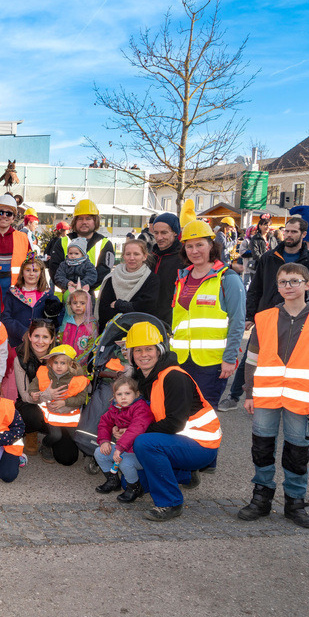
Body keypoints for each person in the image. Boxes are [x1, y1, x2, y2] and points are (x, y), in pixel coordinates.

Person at [238, 263, 309, 529]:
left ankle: (295, 502)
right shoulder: (265, 317)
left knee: (297, 453)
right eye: (283, 282)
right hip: (266, 396)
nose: (288, 287)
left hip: (302, 397)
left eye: (294, 281)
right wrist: (249, 393)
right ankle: (261, 498)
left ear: (308, 285)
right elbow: (252, 359)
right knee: (262, 449)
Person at [126, 321, 221, 522]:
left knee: (144, 443)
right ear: (131, 355)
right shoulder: (146, 377)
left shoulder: (174, 377)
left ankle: (170, 502)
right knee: (129, 484)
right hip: (179, 441)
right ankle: (185, 475)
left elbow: (175, 423)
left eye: (149, 349)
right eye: (138, 350)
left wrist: (134, 433)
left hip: (201, 445)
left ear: (159, 350)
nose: (143, 354)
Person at [170, 221, 245, 408]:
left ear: (211, 245)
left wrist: (229, 359)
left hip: (211, 364)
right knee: (181, 415)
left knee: (202, 417)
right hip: (180, 360)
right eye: (189, 246)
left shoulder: (227, 279)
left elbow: (237, 322)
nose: (194, 251)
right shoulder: (182, 278)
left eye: (199, 245)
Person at [93, 376, 154, 502]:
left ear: (136, 394)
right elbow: (104, 423)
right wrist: (104, 441)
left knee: (125, 462)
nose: (123, 397)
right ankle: (113, 480)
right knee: (99, 452)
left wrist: (119, 448)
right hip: (124, 449)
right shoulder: (115, 408)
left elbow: (136, 429)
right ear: (114, 397)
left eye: (127, 393)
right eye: (119, 394)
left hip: (139, 453)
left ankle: (135, 488)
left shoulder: (141, 408)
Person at [26, 344, 88, 465]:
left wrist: (65, 402)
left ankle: (88, 453)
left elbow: (81, 398)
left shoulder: (79, 378)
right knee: (55, 435)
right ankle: (45, 445)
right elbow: (33, 386)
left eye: (63, 363)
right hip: (49, 414)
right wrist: (33, 393)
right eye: (56, 362)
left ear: (71, 364)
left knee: (78, 436)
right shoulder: (43, 373)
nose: (59, 366)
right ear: (50, 363)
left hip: (69, 415)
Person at [46, 199, 116, 294]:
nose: (84, 222)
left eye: (88, 218)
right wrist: (67, 285)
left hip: (93, 299)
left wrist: (82, 288)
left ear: (95, 221)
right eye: (80, 219)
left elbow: (104, 272)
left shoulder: (105, 244)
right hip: (64, 298)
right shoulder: (62, 242)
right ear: (75, 221)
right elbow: (54, 269)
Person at [12, 319, 57, 456]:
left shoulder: (60, 356)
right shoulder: (20, 358)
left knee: (68, 457)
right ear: (29, 336)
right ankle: (31, 432)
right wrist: (46, 396)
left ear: (51, 339)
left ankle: (49, 440)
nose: (40, 341)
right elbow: (25, 396)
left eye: (45, 337)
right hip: (29, 404)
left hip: (57, 403)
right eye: (36, 336)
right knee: (30, 413)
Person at [0, 253, 62, 350]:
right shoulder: (12, 294)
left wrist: (48, 333)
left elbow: (58, 318)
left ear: (41, 273)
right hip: (17, 343)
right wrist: (22, 332)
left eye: (35, 270)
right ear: (22, 273)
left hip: (41, 345)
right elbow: (5, 318)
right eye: (27, 270)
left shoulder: (48, 295)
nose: (31, 274)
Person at [96, 239, 160, 330]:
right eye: (128, 254)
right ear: (123, 256)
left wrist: (119, 305)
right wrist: (132, 307)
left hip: (140, 333)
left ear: (144, 256)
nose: (131, 258)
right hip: (112, 332)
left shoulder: (152, 279)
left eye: (136, 254)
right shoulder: (111, 278)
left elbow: (146, 308)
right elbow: (104, 310)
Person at [148, 212, 183, 327]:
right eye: (156, 233)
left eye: (164, 233)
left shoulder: (184, 257)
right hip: (150, 318)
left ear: (175, 233)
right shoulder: (150, 256)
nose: (159, 237)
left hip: (173, 320)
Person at [59, 288, 96, 359]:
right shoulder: (66, 321)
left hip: (83, 365)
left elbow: (92, 345)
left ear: (88, 304)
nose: (78, 306)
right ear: (70, 304)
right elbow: (59, 340)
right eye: (75, 303)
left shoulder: (92, 323)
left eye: (82, 303)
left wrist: (79, 360)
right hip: (65, 362)